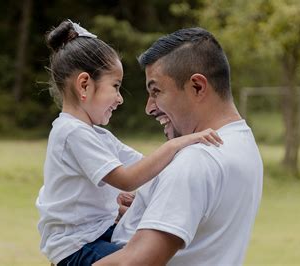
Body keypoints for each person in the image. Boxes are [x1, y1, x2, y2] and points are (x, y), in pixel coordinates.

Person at [35, 20, 223, 266]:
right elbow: (127, 178)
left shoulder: (96, 135)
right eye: (115, 86)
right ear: (84, 85)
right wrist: (178, 143)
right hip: (77, 248)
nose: (120, 99)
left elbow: (144, 166)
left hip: (98, 236)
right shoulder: (71, 133)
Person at [95, 27, 263, 266]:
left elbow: (133, 263)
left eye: (156, 91)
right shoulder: (242, 143)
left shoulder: (196, 160)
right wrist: (146, 211)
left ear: (197, 86)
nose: (149, 108)